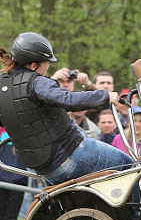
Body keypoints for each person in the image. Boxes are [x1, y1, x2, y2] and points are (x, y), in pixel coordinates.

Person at [0, 32, 132, 186]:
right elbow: (68, 100)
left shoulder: (3, 85)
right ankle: (137, 211)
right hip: (70, 155)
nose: (48, 66)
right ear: (34, 65)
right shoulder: (37, 82)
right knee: (129, 167)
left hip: (44, 169)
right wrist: (105, 96)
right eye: (47, 62)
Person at [0, 129, 26, 220]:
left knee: (9, 219)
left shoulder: (20, 130)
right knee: (6, 218)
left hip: (16, 181)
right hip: (7, 179)